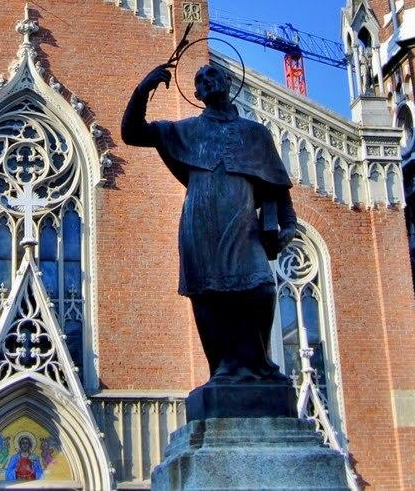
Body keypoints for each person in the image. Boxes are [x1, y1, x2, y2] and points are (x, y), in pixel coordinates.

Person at [121, 61, 297, 384]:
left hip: (243, 227)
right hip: (199, 228)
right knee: (209, 297)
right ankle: (222, 369)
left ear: (228, 82)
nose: (207, 80)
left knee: (262, 288)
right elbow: (131, 132)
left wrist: (289, 224)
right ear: (197, 93)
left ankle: (260, 365)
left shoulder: (255, 134)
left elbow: (276, 183)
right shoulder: (185, 130)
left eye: (213, 74)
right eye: (200, 79)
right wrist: (144, 88)